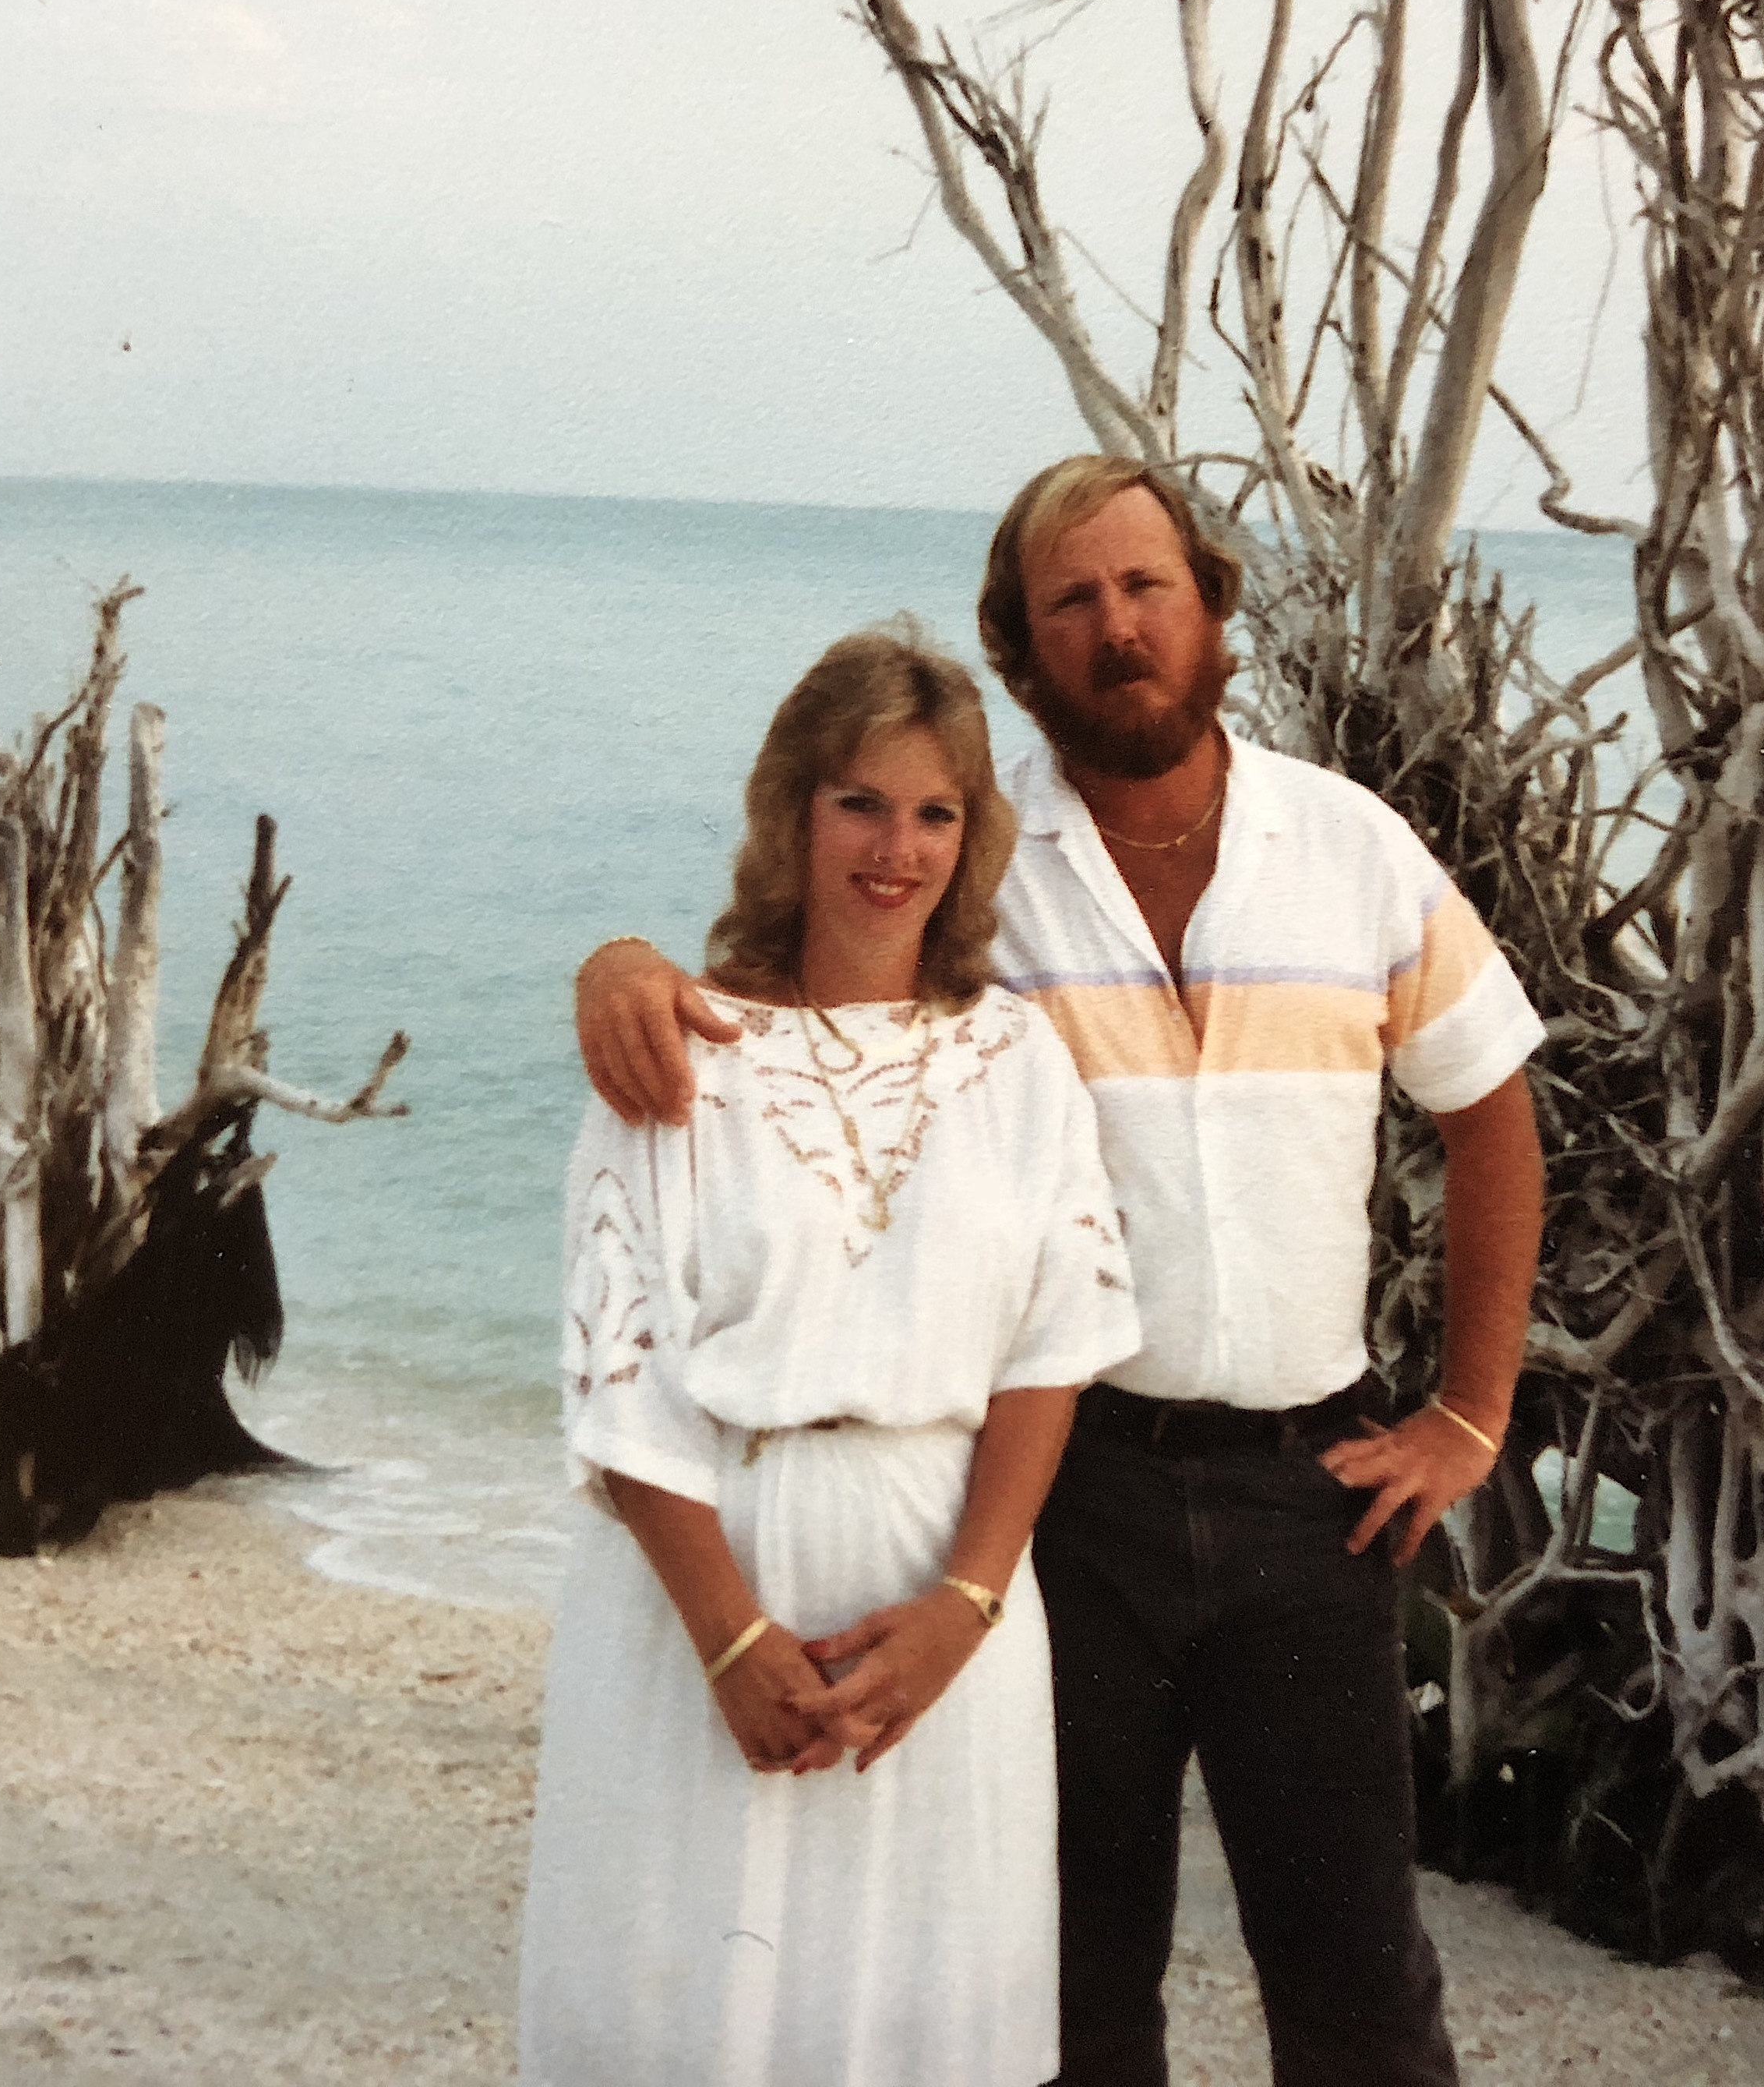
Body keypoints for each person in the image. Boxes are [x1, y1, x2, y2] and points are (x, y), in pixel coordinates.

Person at [576, 457, 1547, 2087]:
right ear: (1022, 653)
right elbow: (799, 993)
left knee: (1358, 1985)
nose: (1118, 628)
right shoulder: (979, 865)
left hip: (1318, 1493)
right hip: (1066, 1504)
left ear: (1213, 606)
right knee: (1073, 1983)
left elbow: (1493, 1112)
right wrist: (621, 971)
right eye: (1071, 604)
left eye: (1146, 586)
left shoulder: (1352, 846)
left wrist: (1472, 1411)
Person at [520, 620, 1142, 2087]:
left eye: (936, 813)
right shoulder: (676, 1047)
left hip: (945, 1610)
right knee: (687, 2019)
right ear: (794, 809)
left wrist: (968, 1603)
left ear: (974, 837)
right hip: (700, 1600)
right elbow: (623, 1379)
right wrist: (730, 1639)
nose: (897, 848)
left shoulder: (1019, 1060)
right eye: (861, 801)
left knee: (924, 2024)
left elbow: (1051, 1350)